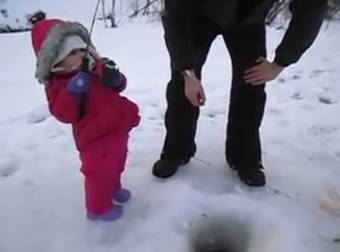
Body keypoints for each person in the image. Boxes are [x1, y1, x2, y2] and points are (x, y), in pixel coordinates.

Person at [152, 0, 327, 186]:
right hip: (196, 15)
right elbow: (175, 15)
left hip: (248, 19)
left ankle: (244, 157)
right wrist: (187, 71)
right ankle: (176, 150)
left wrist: (280, 63)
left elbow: (312, 7)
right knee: (183, 82)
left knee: (253, 82)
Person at [29, 12, 140, 221]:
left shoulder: (97, 66)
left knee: (118, 162)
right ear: (57, 60)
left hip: (116, 127)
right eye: (73, 52)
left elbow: (120, 86)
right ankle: (98, 208)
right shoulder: (57, 84)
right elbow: (63, 114)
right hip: (94, 138)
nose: (82, 55)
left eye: (83, 49)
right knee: (98, 174)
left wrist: (115, 78)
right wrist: (72, 93)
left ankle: (114, 187)